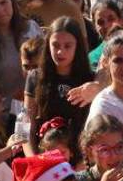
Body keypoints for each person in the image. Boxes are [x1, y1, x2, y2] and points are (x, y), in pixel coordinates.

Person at [25, 19, 94, 155]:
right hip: (44, 155)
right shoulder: (35, 77)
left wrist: (81, 166)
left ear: (77, 46)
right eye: (55, 45)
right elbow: (27, 126)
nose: (60, 52)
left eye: (67, 46)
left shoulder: (90, 80)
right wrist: (34, 160)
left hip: (81, 160)